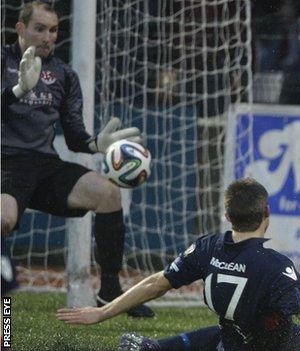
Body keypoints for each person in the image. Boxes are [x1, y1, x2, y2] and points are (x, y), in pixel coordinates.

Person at [57, 178, 300, 351]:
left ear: (227, 215)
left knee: (220, 334)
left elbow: (157, 283)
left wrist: (103, 312)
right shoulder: (274, 265)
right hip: (278, 346)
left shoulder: (207, 247)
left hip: (234, 339)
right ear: (266, 212)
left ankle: (153, 347)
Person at [0, 1, 153, 317]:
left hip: (44, 165)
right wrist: (16, 91)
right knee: (4, 220)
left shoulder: (64, 75)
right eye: (39, 29)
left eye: (53, 30)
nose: (47, 37)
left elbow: (73, 136)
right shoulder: (2, 61)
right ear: (20, 28)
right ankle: (3, 309)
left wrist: (97, 144)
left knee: (109, 194)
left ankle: (109, 289)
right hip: (6, 163)